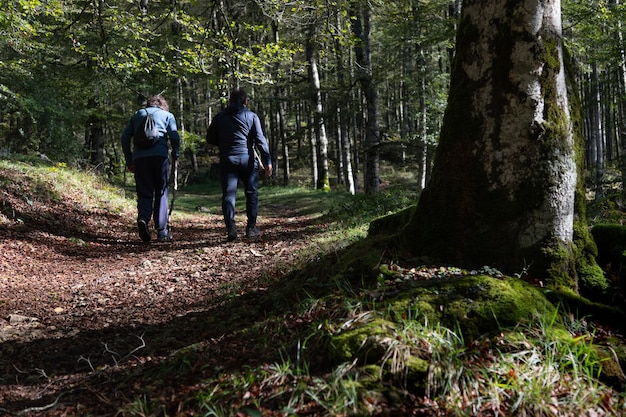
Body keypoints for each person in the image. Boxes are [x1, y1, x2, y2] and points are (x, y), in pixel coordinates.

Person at [207, 88, 273, 242]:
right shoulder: (251, 116)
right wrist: (267, 160)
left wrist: (223, 142)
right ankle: (251, 228)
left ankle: (231, 227)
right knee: (251, 193)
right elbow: (260, 140)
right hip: (247, 159)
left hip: (228, 159)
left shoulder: (220, 117)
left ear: (230, 101)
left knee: (229, 195)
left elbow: (210, 138)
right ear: (245, 102)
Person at [121, 94, 180, 243]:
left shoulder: (138, 114)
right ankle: (162, 231)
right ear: (162, 105)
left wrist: (129, 159)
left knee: (144, 192)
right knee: (161, 192)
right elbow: (174, 136)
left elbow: (125, 137)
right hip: (160, 157)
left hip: (140, 159)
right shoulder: (167, 115)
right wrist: (176, 153)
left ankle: (143, 219)